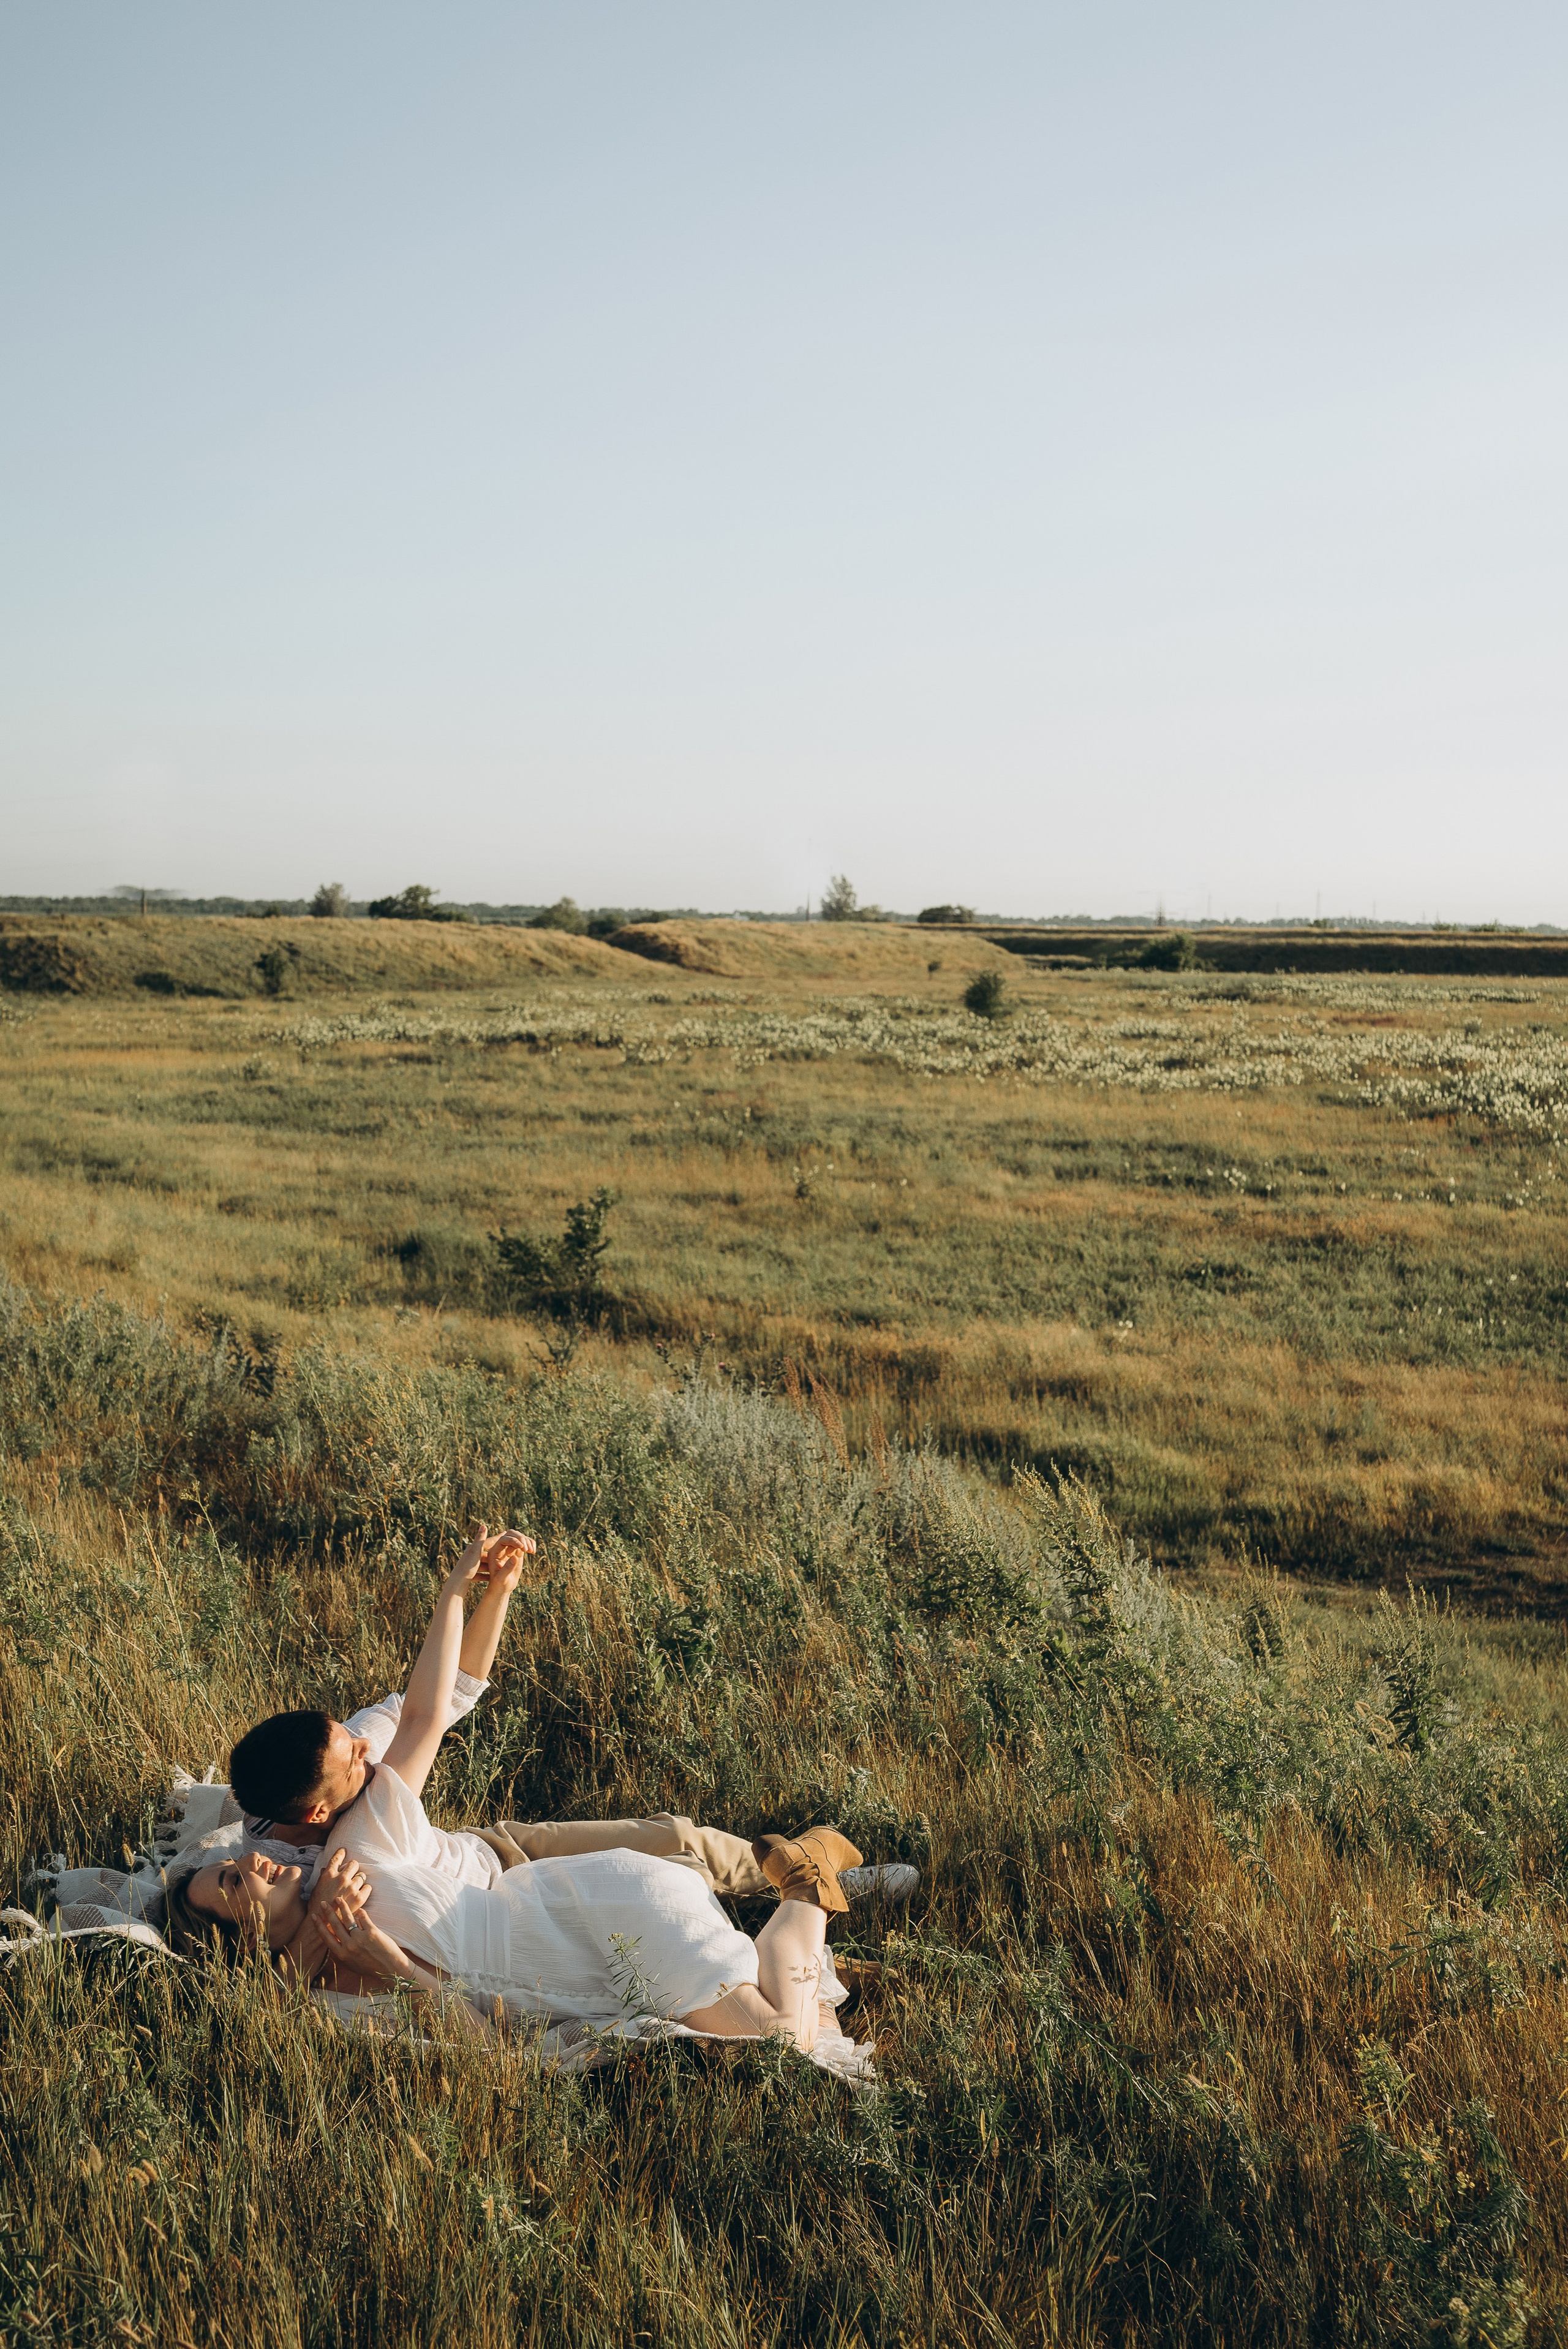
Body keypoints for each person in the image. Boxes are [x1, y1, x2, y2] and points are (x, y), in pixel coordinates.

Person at [173, 1530, 868, 2049]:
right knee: (767, 2024)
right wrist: (319, 1950)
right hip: (550, 1924)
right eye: (233, 1878)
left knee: (681, 1844)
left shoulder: (358, 1837)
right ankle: (805, 1907)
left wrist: (471, 1590)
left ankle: (816, 1883)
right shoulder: (312, 1905)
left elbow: (430, 1709)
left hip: (512, 1873)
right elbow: (270, 1989)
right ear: (315, 1810)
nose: (366, 1750)